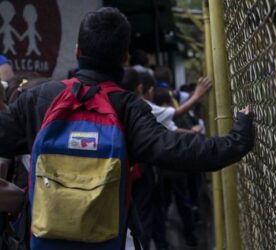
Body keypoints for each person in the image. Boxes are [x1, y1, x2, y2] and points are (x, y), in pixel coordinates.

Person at [0, 7, 254, 250]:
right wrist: (239, 136)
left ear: (77, 51)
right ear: (124, 57)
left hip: (44, 240)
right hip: (104, 241)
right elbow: (181, 151)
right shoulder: (127, 108)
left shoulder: (40, 99)